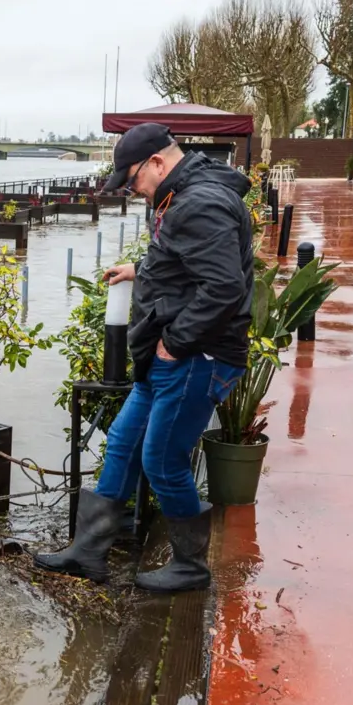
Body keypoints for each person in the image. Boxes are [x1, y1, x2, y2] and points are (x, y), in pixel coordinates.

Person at [37, 123, 253, 593]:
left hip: (198, 354)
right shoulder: (182, 194)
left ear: (158, 162)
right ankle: (89, 551)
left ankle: (190, 567)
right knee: (123, 440)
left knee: (162, 458)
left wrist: (176, 342)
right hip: (171, 351)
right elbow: (187, 261)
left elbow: (223, 288)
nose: (132, 189)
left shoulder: (201, 203)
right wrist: (142, 268)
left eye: (133, 178)